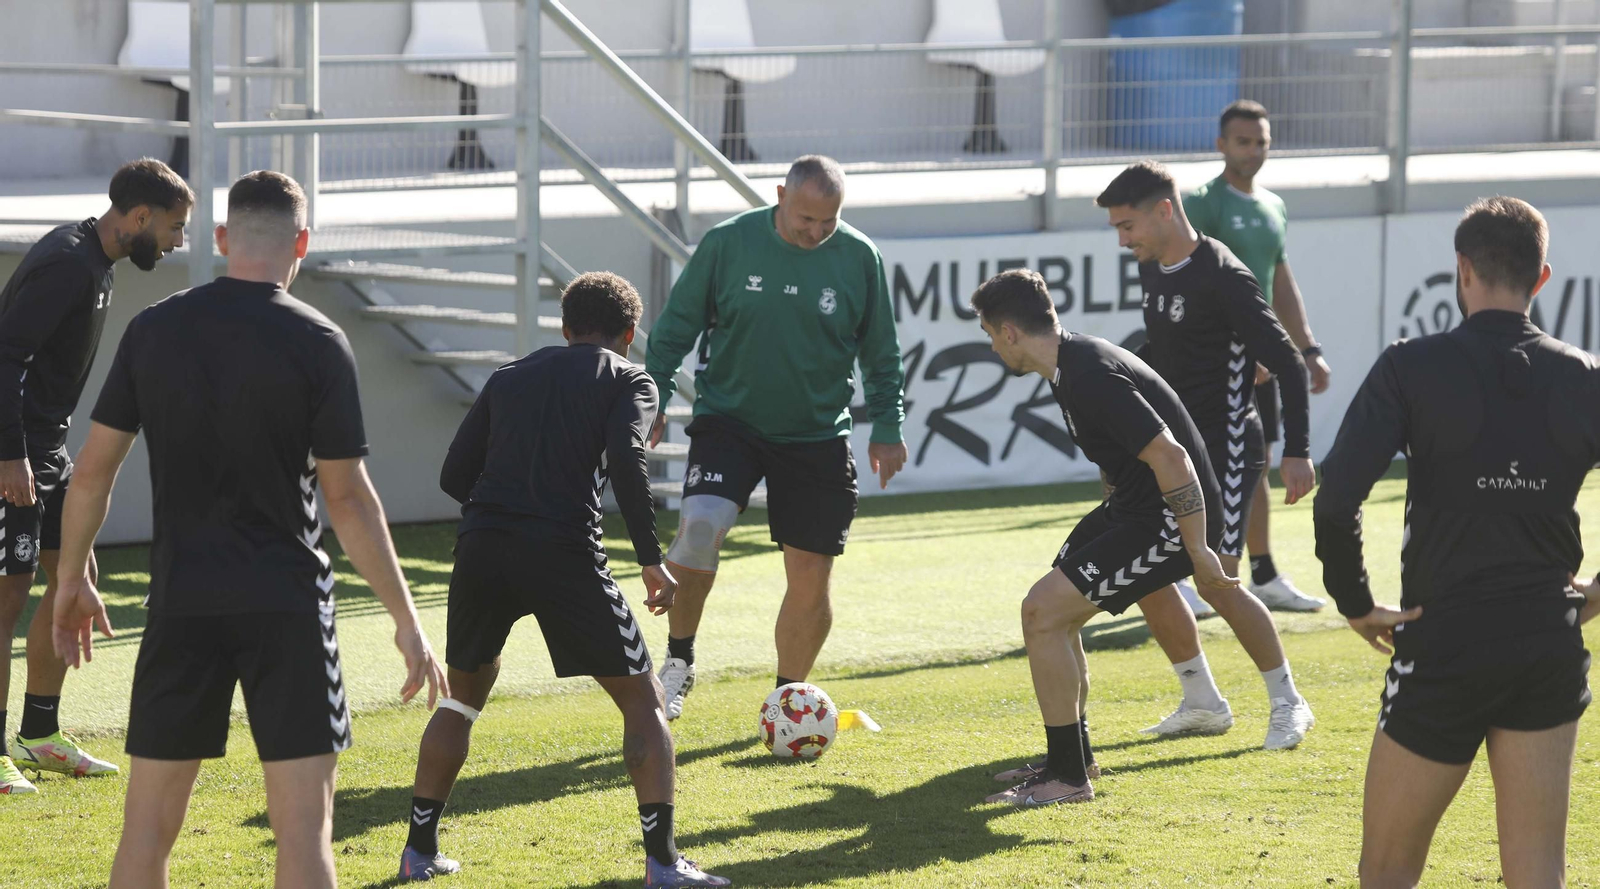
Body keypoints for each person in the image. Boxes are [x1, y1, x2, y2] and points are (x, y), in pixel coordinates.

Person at [50, 170, 447, 889]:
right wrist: (406, 618)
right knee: (302, 835)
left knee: (144, 836)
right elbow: (348, 500)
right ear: (301, 242)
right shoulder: (320, 339)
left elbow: (89, 473)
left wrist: (70, 577)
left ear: (224, 237)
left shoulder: (153, 329)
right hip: (287, 606)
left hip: (180, 604)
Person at [397, 271, 729, 887]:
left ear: (566, 328)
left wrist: (503, 510)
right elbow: (629, 460)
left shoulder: (508, 375)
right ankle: (663, 864)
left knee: (460, 698)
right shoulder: (631, 378)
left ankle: (418, 852)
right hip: (563, 550)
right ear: (629, 334)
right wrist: (651, 559)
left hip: (482, 547)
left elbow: (452, 475)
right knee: (644, 699)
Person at [1314, 196, 1597, 888]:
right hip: (1546, 639)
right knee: (1537, 875)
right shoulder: (1586, 376)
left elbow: (1338, 497)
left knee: (1386, 868)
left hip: (1445, 640)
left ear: (1461, 270)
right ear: (1542, 277)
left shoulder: (1410, 365)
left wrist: (1355, 602)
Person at [643, 155, 906, 719]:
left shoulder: (860, 256)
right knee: (700, 527)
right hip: (729, 420)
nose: (815, 232)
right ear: (781, 194)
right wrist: (656, 396)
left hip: (816, 433)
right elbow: (675, 328)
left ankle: (786, 700)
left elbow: (881, 350)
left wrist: (888, 425)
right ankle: (680, 663)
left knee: (811, 573)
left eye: (827, 223)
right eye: (805, 218)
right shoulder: (727, 243)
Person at [971, 268, 1237, 806]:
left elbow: (1172, 457)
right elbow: (1123, 456)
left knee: (1042, 611)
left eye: (989, 335)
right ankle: (1073, 756)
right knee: (1051, 612)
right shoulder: (1070, 367)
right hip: (1133, 509)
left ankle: (1068, 780)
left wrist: (1198, 549)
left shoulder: (1089, 371)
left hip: (1163, 519)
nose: (993, 348)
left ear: (1009, 332)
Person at [1097, 161, 1317, 749]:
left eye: (1127, 225)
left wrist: (1296, 451)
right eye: (1116, 228)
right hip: (1171, 448)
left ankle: (1288, 703)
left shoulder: (1223, 274)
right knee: (1144, 567)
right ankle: (1201, 700)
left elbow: (1289, 362)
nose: (1123, 239)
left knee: (1216, 580)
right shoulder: (1153, 267)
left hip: (1226, 448)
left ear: (1164, 209)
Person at [0, 157, 192, 795]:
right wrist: (10, 454)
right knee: (5, 601)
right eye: (172, 226)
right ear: (138, 217)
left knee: (75, 579)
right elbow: (4, 357)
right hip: (12, 456)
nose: (177, 241)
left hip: (45, 453)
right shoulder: (67, 263)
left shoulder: (96, 263)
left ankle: (39, 736)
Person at [1185, 100, 1331, 612]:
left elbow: (1281, 279)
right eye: (1243, 141)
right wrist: (1237, 350)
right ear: (1221, 144)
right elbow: (1190, 277)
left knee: (1256, 460)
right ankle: (1193, 572)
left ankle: (1262, 574)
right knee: (1202, 462)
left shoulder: (1273, 205)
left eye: (1261, 141)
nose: (1253, 150)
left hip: (1260, 361)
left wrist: (1306, 347)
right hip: (1214, 361)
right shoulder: (1201, 203)